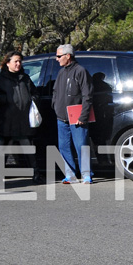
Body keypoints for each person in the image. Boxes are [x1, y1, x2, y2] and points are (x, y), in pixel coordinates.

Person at [0, 50, 41, 182]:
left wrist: (32, 100)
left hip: (24, 119)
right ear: (7, 63)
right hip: (7, 120)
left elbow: (35, 93)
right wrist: (5, 99)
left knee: (29, 149)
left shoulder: (25, 78)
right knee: (3, 149)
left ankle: (36, 174)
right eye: (15, 61)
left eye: (20, 61)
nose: (18, 64)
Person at [52, 44, 94, 184]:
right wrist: (55, 106)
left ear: (68, 56)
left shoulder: (80, 71)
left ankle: (86, 175)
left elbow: (87, 95)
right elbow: (56, 92)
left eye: (59, 56)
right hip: (61, 118)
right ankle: (70, 175)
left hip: (77, 117)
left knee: (81, 145)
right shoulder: (61, 73)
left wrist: (83, 116)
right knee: (64, 146)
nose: (56, 59)